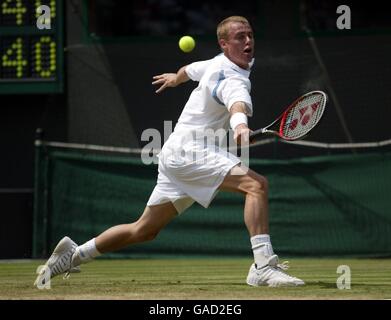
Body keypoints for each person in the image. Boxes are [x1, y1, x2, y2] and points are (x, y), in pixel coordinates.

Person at [35, 16, 304, 288]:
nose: (247, 41)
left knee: (144, 230)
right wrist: (241, 126)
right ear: (224, 44)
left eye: (250, 35)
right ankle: (263, 267)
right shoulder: (234, 79)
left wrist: (176, 78)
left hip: (176, 153)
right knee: (256, 186)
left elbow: (190, 69)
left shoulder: (215, 62)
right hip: (190, 152)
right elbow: (237, 105)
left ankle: (73, 255)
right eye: (239, 37)